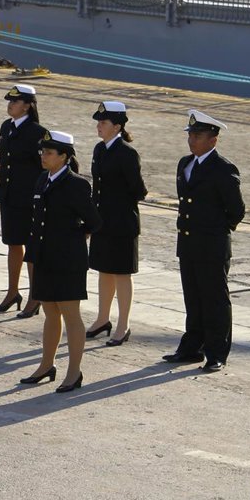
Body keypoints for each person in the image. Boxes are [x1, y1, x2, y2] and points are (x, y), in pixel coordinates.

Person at [19, 131, 102, 392]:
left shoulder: (76, 184)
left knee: (71, 316)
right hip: (44, 257)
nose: (43, 156)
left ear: (64, 156)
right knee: (50, 314)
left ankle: (74, 372)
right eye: (42, 151)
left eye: (49, 153)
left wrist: (72, 238)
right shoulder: (42, 179)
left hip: (67, 261)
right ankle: (46, 365)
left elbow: (94, 221)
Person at [163, 110, 245, 373]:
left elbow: (236, 210)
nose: (192, 140)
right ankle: (192, 347)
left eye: (197, 136)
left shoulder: (223, 169)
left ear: (213, 139)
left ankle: (216, 352)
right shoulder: (185, 164)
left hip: (211, 246)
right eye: (191, 135)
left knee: (214, 301)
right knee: (193, 298)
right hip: (188, 243)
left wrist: (215, 231)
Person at [85, 102, 148, 346]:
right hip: (103, 221)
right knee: (104, 270)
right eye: (98, 122)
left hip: (122, 222)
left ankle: (123, 324)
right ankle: (102, 319)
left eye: (103, 123)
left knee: (122, 273)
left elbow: (138, 190)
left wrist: (117, 204)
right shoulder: (100, 149)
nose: (98, 126)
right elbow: (97, 188)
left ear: (117, 127)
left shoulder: (127, 153)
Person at [0, 84, 49, 317]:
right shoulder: (7, 126)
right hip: (9, 194)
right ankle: (13, 291)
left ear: (27, 106)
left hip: (28, 198)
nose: (10, 105)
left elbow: (46, 167)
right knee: (13, 243)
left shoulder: (38, 133)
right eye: (10, 101)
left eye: (15, 102)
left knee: (31, 248)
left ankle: (35, 296)